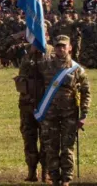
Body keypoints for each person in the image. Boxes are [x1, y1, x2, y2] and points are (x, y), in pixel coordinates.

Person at [36, 34, 90, 186]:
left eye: (63, 46)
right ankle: (54, 178)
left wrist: (84, 114)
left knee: (67, 148)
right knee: (51, 147)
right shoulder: (44, 65)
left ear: (70, 48)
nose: (60, 48)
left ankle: (66, 179)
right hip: (49, 113)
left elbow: (86, 92)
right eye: (57, 46)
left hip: (70, 114)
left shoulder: (77, 69)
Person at [15, 41, 48, 182]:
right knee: (29, 138)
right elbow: (4, 50)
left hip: (45, 104)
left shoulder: (53, 53)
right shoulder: (26, 52)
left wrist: (40, 54)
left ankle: (46, 172)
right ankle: (31, 171)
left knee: (47, 139)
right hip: (26, 104)